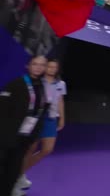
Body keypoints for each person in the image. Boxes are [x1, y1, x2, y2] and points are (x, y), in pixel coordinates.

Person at [0, 56, 49, 196]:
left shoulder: (41, 88)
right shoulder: (15, 84)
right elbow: (2, 111)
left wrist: (33, 136)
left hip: (23, 139)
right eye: (35, 64)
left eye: (42, 65)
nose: (38, 67)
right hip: (6, 139)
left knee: (12, 173)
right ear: (28, 66)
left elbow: (40, 114)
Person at [16, 59, 67, 192]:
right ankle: (17, 177)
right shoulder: (38, 81)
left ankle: (19, 173)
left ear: (57, 69)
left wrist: (62, 118)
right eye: (49, 67)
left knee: (47, 149)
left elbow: (60, 101)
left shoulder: (61, 83)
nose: (51, 69)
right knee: (29, 149)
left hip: (51, 119)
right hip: (37, 118)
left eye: (54, 67)